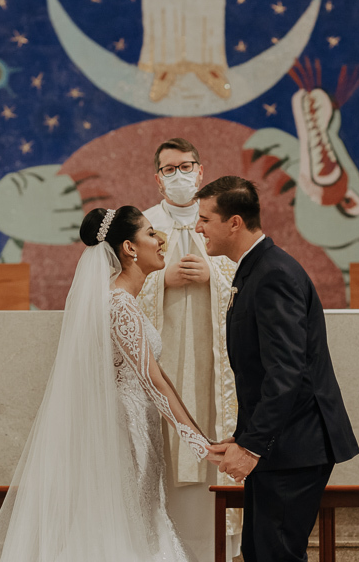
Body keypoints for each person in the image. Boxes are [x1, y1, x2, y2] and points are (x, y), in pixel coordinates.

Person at [0, 206, 220, 562]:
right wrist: (199, 443)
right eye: (151, 233)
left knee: (138, 523)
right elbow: (152, 379)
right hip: (127, 431)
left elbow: (153, 374)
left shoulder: (119, 300)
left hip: (134, 426)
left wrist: (196, 435)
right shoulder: (119, 304)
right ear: (129, 248)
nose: (161, 240)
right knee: (130, 529)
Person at [196, 176, 359, 562]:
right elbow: (260, 370)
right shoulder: (254, 269)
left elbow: (285, 371)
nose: (198, 228)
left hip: (295, 446)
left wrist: (252, 445)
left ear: (234, 223)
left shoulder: (273, 274)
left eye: (205, 219)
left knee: (277, 554)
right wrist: (243, 438)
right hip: (280, 446)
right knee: (258, 552)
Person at [137, 138, 240, 560]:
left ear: (200, 170)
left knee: (214, 430)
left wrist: (212, 276)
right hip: (162, 364)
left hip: (214, 368)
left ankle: (218, 547)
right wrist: (162, 280)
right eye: (169, 169)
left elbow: (245, 272)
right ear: (157, 178)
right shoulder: (142, 224)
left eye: (186, 166)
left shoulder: (217, 220)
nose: (179, 175)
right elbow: (116, 288)